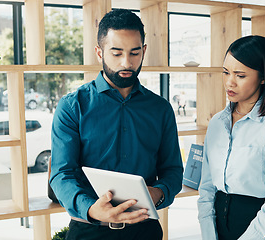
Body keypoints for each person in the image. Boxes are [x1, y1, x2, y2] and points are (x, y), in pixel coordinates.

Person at [49, 9, 183, 240]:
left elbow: (172, 170)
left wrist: (159, 193)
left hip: (145, 231)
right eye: (117, 53)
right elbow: (62, 174)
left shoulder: (161, 109)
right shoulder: (73, 106)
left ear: (144, 51)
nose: (127, 62)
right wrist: (92, 209)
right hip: (89, 231)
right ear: (99, 52)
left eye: (134, 53)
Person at [197, 35, 265, 240]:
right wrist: (209, 234)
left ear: (263, 77)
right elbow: (207, 187)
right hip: (220, 225)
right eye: (226, 72)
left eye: (240, 75)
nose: (229, 82)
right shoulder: (218, 122)